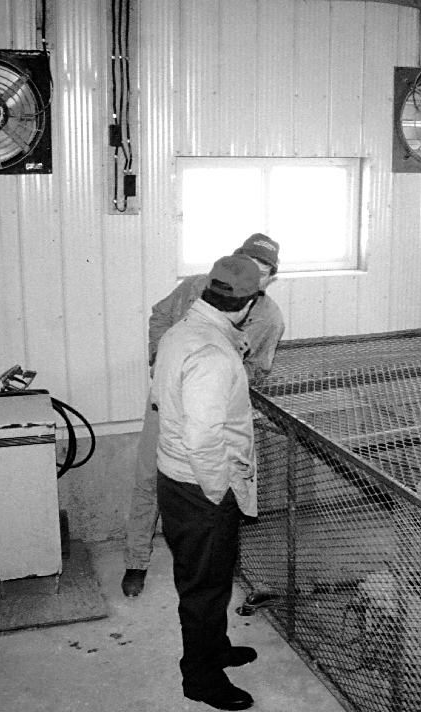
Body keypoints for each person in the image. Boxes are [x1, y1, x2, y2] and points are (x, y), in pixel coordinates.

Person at [122, 234, 284, 597]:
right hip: (167, 404)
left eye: (262, 272)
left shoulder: (270, 317)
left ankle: (211, 568)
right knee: (149, 476)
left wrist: (235, 359)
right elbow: (161, 316)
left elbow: (260, 369)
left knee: (210, 495)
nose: (252, 276)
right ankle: (136, 559)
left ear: (270, 278)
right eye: (246, 264)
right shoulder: (198, 286)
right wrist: (160, 360)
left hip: (214, 416)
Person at [153, 254, 264, 710]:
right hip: (202, 487)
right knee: (203, 587)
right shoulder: (214, 355)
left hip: (177, 477)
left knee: (212, 579)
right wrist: (219, 495)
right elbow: (203, 439)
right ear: (248, 303)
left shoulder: (181, 331)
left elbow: (160, 398)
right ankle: (200, 677)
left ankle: (215, 647)